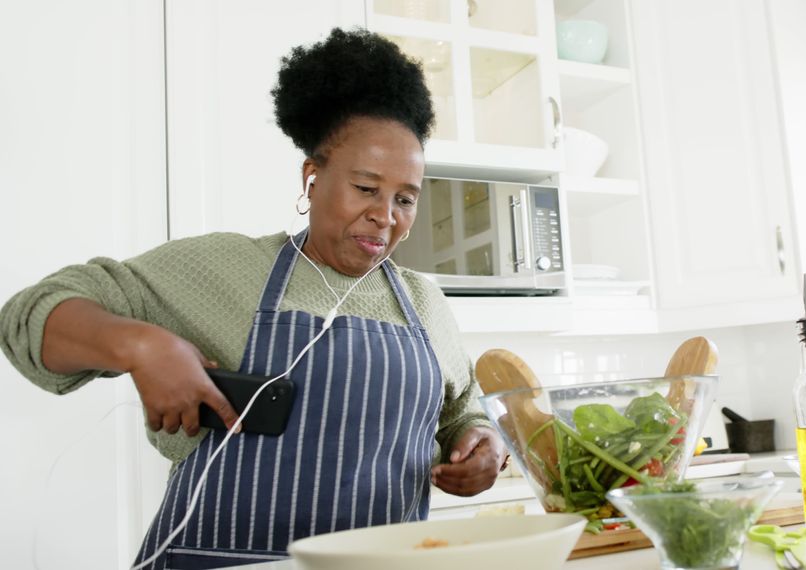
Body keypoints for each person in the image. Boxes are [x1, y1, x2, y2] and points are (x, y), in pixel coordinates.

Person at [0, 27, 507, 569]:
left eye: (405, 198)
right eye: (365, 188)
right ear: (313, 177)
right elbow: (28, 316)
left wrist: (482, 445)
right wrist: (139, 346)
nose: (386, 215)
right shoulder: (224, 268)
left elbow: (461, 412)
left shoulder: (424, 303)